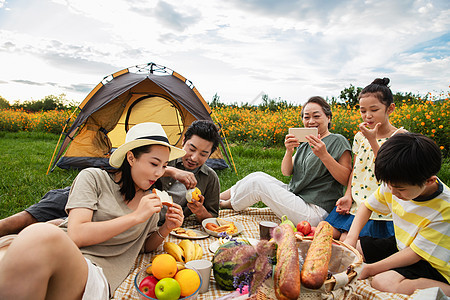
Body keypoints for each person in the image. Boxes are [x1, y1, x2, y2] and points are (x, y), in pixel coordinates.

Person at [0, 122, 186, 299]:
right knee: (33, 239)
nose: (159, 173)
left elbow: (144, 245)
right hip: (60, 250)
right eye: (154, 164)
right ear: (131, 158)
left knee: (38, 235)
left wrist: (166, 228)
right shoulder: (93, 178)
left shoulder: (150, 200)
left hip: (94, 273)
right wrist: (135, 217)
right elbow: (77, 235)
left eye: (164, 166)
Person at [0, 120, 221, 237]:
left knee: (59, 227)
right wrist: (171, 170)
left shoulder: (209, 179)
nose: (194, 157)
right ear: (184, 141)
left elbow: (212, 217)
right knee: (34, 216)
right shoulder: (165, 155)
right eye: (192, 148)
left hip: (133, 214)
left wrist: (199, 210)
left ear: (211, 155)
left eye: (204, 154)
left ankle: (25, 241)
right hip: (110, 191)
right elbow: (124, 168)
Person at [344, 132, 450, 296]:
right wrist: (351, 238)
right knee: (349, 247)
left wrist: (371, 269)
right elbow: (366, 206)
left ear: (430, 180)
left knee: (382, 281)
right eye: (388, 185)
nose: (392, 192)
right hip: (403, 245)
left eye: (400, 189)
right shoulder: (396, 180)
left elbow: (415, 255)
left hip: (433, 263)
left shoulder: (445, 209)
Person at [220, 96, 352, 226]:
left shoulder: (338, 141)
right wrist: (289, 151)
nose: (311, 121)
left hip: (316, 211)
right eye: (306, 117)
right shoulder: (306, 142)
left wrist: (324, 155)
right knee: (257, 175)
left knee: (258, 184)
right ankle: (217, 197)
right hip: (298, 199)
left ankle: (224, 204)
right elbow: (286, 171)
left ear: (328, 118)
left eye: (316, 116)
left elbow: (346, 179)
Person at [325, 78, 406, 240]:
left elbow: (391, 170)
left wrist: (372, 140)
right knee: (327, 234)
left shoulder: (400, 137)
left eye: (374, 110)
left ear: (390, 109)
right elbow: (356, 169)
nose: (367, 116)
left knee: (345, 242)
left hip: (380, 206)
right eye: (363, 111)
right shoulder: (360, 137)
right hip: (356, 200)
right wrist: (348, 195)